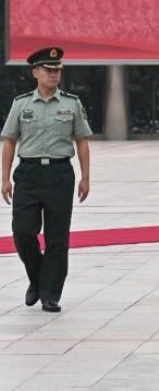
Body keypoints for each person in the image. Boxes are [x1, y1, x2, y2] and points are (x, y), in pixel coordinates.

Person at [1, 47, 92, 313]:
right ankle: (37, 277)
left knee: (57, 238)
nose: (54, 74)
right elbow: (9, 141)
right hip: (28, 174)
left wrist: (86, 177)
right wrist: (5, 178)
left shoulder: (71, 103)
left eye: (57, 70)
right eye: (48, 70)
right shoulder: (21, 104)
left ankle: (50, 294)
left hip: (60, 174)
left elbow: (82, 141)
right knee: (23, 232)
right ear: (35, 73)